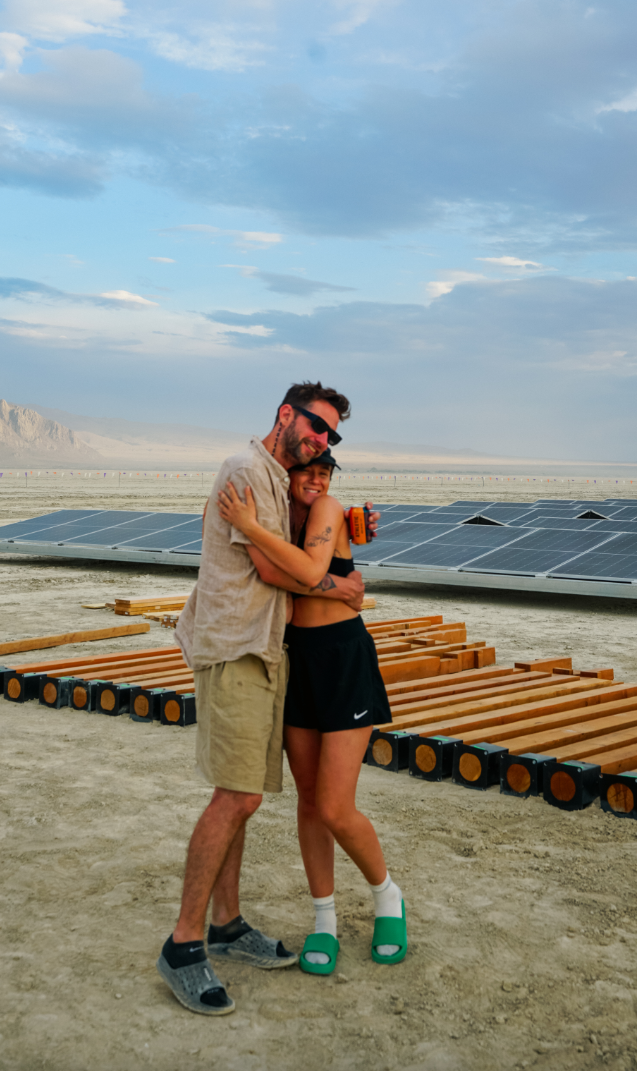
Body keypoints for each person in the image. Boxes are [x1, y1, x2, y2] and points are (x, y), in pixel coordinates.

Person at [158, 382, 368, 1016]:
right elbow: (283, 570)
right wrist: (338, 583)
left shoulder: (278, 480)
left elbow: (299, 549)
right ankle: (184, 944)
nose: (322, 441)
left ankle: (226, 923)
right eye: (316, 426)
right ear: (285, 415)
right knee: (238, 796)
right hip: (236, 648)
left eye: (332, 436)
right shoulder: (247, 471)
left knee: (242, 792)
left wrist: (341, 542)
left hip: (264, 648)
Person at [216, 449, 406, 976]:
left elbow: (308, 569)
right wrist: (337, 584)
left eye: (326, 472)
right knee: (307, 803)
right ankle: (324, 919)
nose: (318, 480)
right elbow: (269, 570)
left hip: (343, 657)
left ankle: (388, 898)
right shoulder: (278, 516)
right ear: (288, 474)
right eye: (309, 471)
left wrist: (251, 528)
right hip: (296, 659)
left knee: (335, 807)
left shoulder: (328, 509)